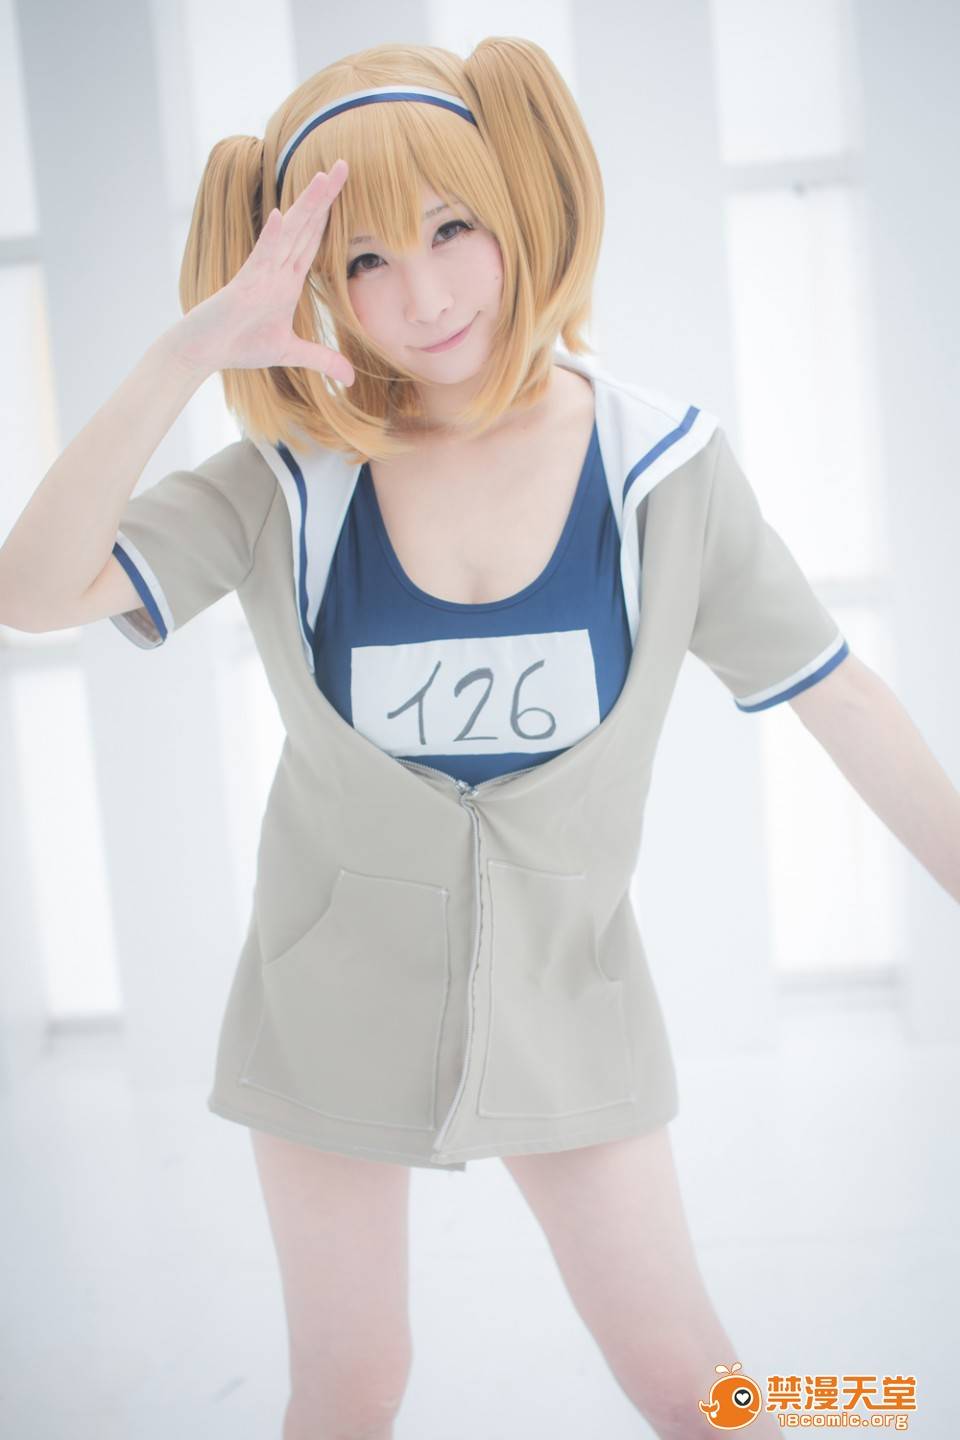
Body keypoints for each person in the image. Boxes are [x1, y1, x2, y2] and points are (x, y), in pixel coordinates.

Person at [6, 34, 953, 1440]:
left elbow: (840, 693)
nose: (424, 293)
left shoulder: (656, 468)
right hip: (325, 1009)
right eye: (367, 258)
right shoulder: (291, 482)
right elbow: (31, 591)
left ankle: (863, 1414)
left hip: (570, 1002)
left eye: (453, 228)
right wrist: (184, 354)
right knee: (350, 1387)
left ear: (518, 202)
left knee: (698, 1385)